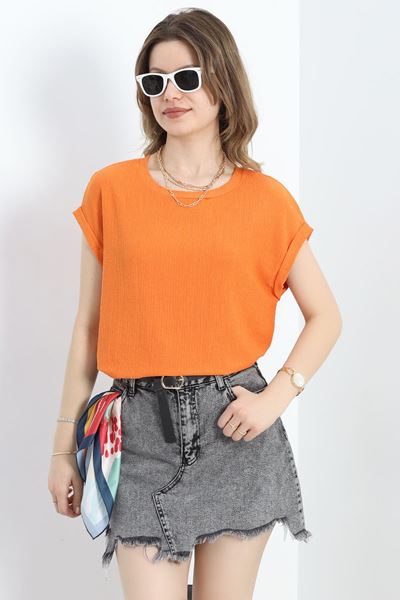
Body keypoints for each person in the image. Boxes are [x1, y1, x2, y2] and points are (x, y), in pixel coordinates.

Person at [48, 7, 342, 600]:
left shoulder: (267, 201)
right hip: (136, 435)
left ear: (223, 82)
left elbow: (326, 316)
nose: (169, 93)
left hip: (234, 430)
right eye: (154, 81)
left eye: (187, 77)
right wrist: (62, 448)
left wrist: (276, 398)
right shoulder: (111, 189)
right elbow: (88, 327)